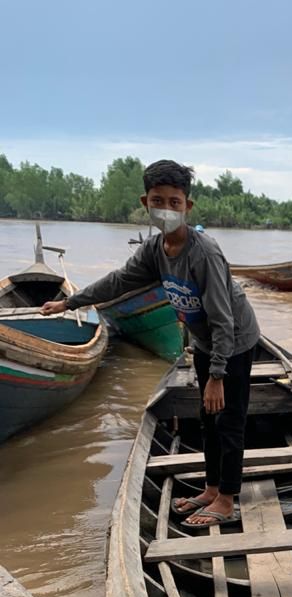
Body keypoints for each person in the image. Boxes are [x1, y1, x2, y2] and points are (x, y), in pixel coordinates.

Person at [42, 160, 259, 529]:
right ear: (146, 202)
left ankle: (226, 500)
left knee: (228, 421)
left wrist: (218, 374)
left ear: (187, 206)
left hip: (234, 342)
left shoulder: (203, 253)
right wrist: (70, 302)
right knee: (207, 419)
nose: (166, 209)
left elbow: (224, 319)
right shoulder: (155, 250)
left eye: (174, 202)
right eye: (158, 201)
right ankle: (210, 488)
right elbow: (119, 281)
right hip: (207, 341)